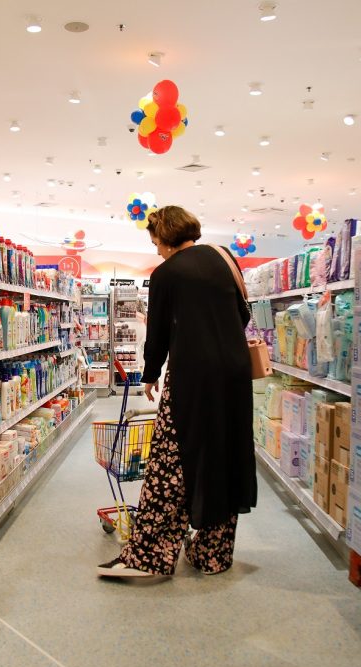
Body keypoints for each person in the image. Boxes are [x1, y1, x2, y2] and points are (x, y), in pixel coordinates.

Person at [98, 205, 256, 578]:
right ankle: (212, 554)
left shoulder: (166, 273)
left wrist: (150, 374)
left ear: (167, 237)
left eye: (155, 242)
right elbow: (244, 313)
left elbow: (158, 334)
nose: (156, 249)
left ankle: (150, 555)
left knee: (172, 460)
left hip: (194, 377)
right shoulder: (223, 257)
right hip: (235, 374)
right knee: (224, 455)